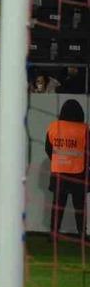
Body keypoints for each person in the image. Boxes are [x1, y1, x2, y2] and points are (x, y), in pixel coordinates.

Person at [46, 99, 89, 239]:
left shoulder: (54, 126)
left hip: (59, 172)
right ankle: (82, 234)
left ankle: (53, 233)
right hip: (78, 173)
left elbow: (48, 148)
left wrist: (58, 160)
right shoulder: (84, 129)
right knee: (80, 207)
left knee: (58, 206)